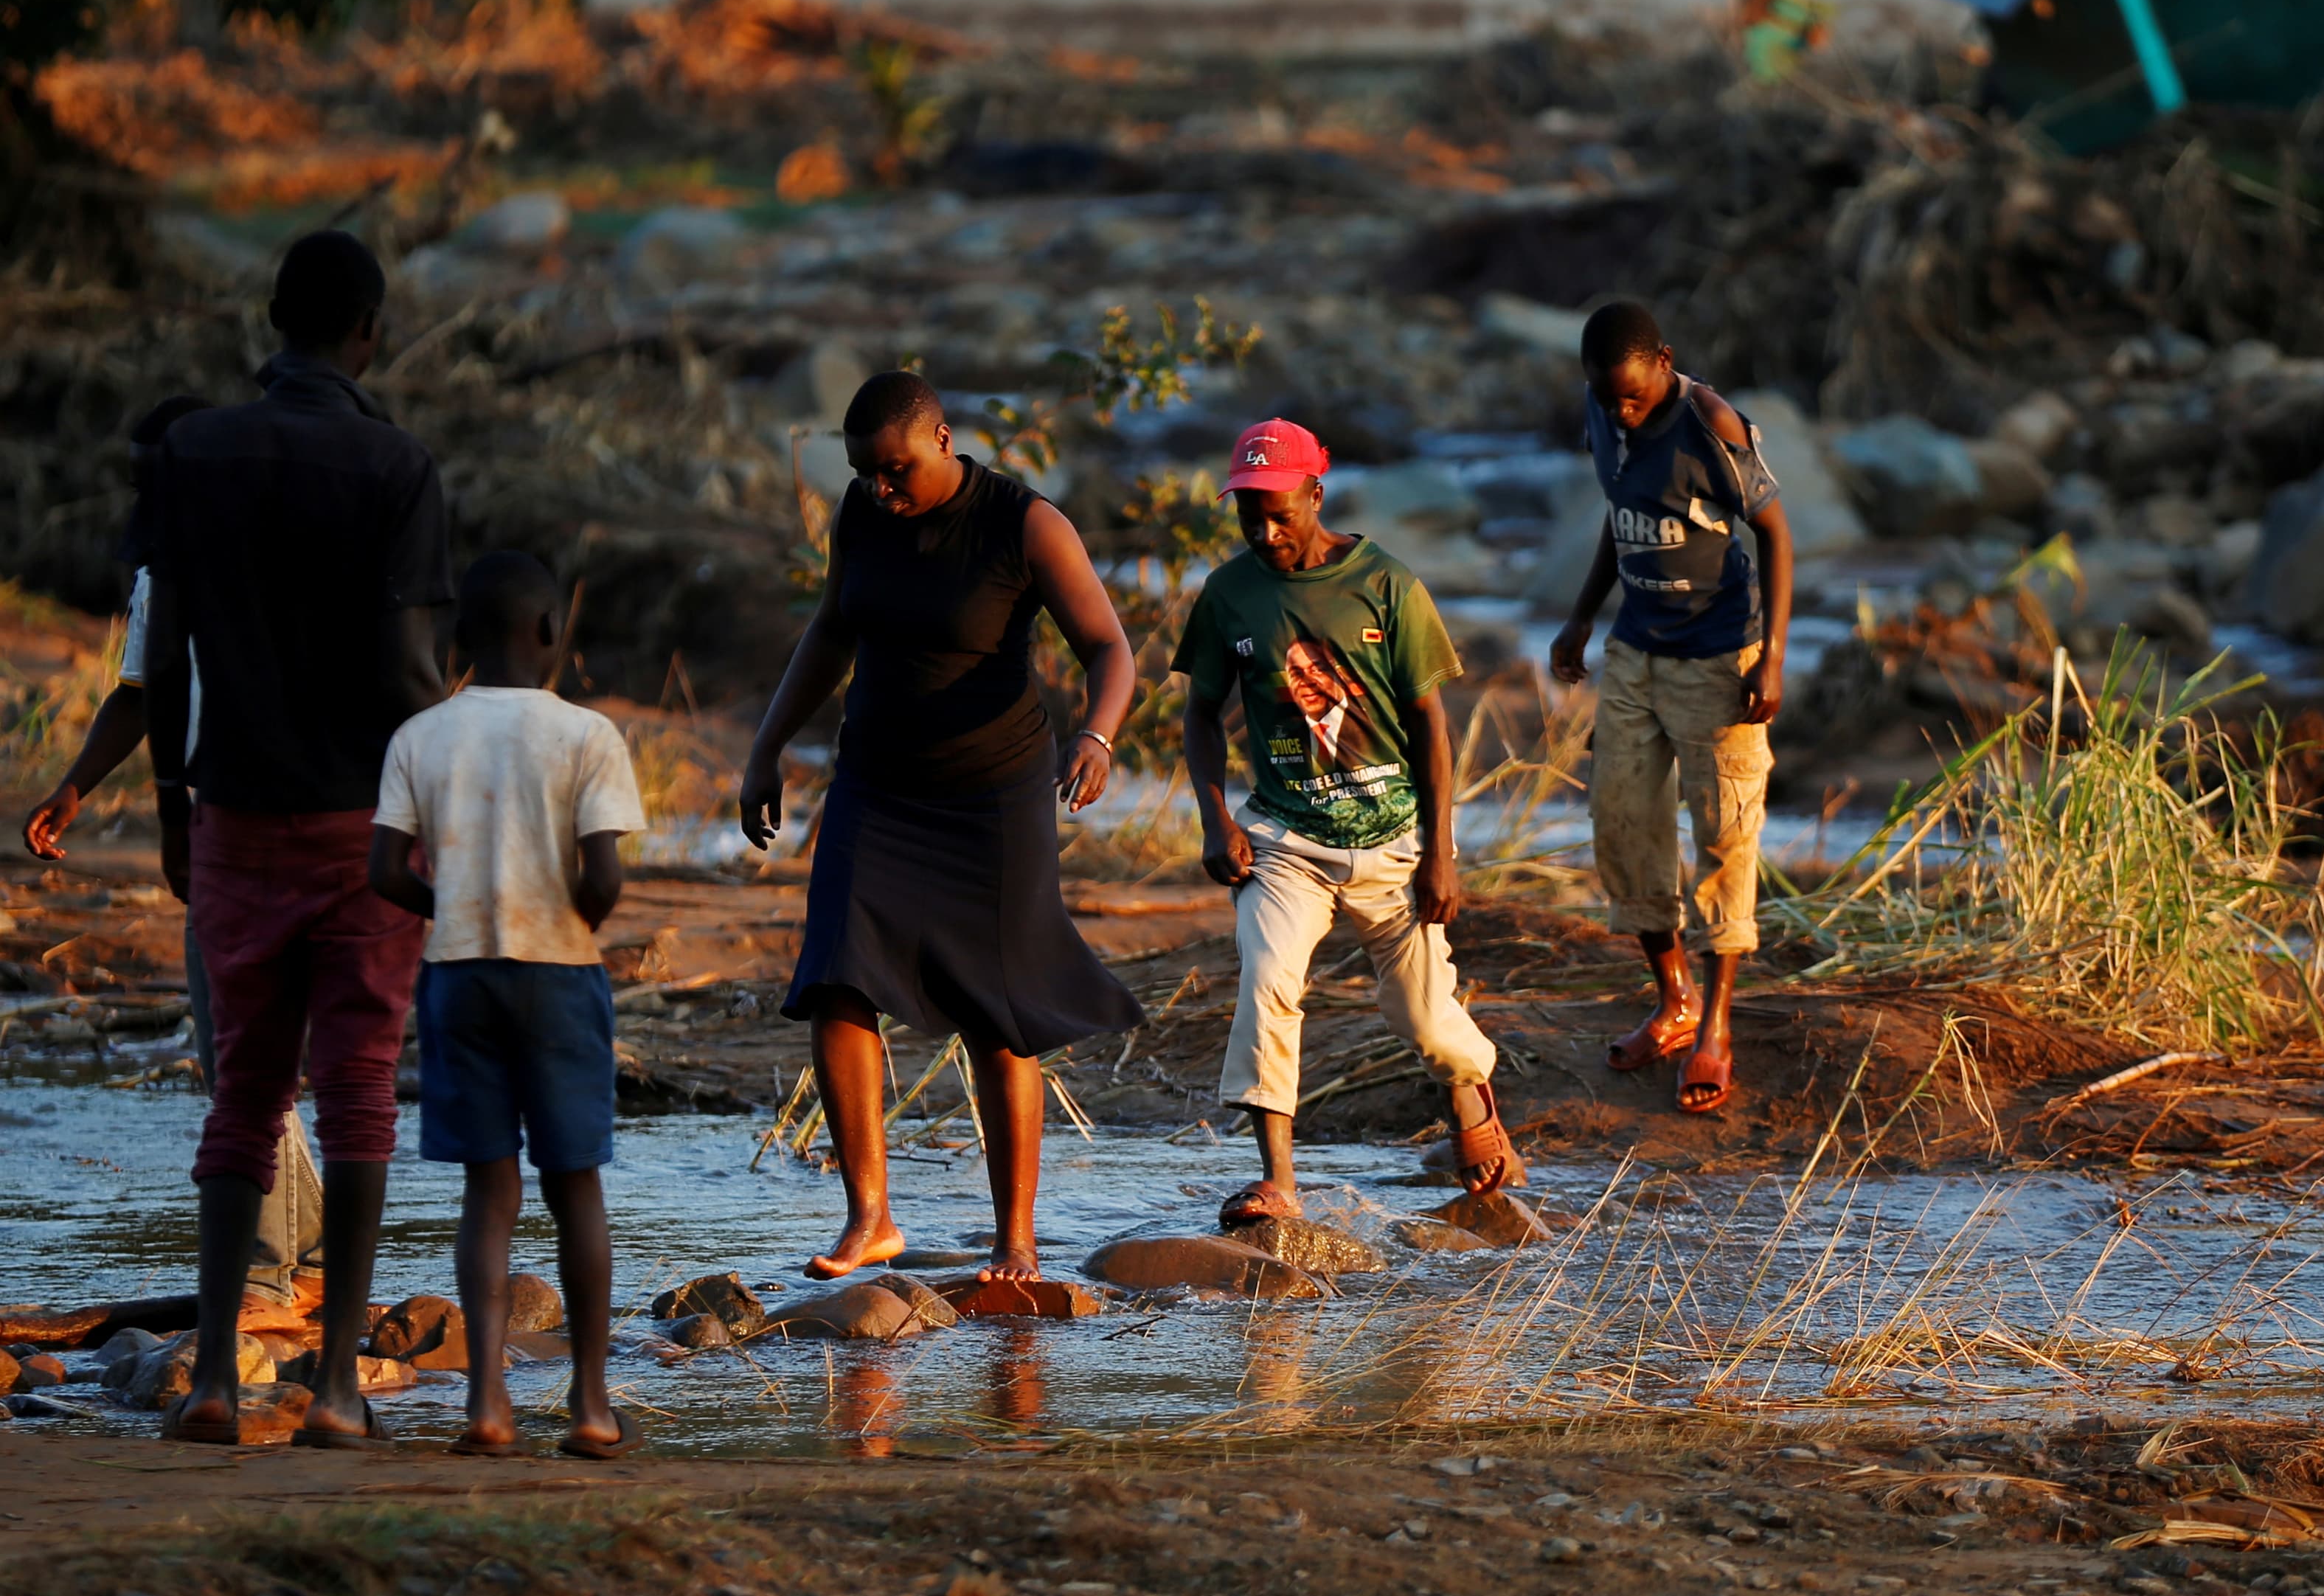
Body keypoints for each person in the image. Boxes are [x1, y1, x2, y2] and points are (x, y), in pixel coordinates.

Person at [143, 229, 452, 1446]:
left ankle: (215, 1377)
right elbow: (409, 670)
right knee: (360, 1090)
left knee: (245, 1097)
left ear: (272, 320)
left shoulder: (190, 451)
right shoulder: (397, 465)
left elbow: (164, 655)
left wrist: (175, 807)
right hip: (363, 824)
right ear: (367, 333)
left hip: (233, 811)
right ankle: (331, 1389)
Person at [739, 370, 1140, 1283]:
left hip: (992, 797)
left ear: (943, 440)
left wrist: (1098, 734)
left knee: (998, 1016)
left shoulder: (1025, 523)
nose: (882, 490)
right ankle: (870, 1218)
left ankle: (1017, 1241)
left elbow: (1111, 648)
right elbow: (833, 628)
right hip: (876, 786)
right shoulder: (861, 513)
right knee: (836, 980)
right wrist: (766, 747)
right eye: (866, 474)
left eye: (895, 469)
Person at [21, 395, 322, 1320]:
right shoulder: (189, 558)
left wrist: (170, 818)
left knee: (236, 1048)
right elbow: (140, 691)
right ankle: (303, 1246)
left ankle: (269, 1272)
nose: (143, 494)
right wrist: (75, 783)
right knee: (255, 1046)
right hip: (251, 816)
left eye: (154, 476)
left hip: (253, 823)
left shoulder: (245, 556)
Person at [1177, 417, 1520, 1222]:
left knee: (1424, 1018)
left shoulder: (1388, 584)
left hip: (1393, 840)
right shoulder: (1230, 594)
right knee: (1268, 982)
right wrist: (1213, 815)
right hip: (1284, 841)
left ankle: (1472, 1090)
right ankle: (1280, 1183)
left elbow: (1431, 723)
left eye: (1279, 511)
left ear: (1316, 494)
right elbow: (1199, 713)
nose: (1263, 530)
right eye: (1247, 512)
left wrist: (1441, 852)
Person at [369, 552, 645, 1460]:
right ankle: (592, 1404)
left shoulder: (422, 735)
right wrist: (573, 920)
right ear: (549, 633)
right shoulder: (589, 735)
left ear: (459, 640)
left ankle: (487, 1404)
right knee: (578, 1190)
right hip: (559, 973)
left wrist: (450, 910)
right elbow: (603, 874)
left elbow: (384, 871)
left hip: (460, 974)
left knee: (487, 1192)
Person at [1547, 302, 1792, 1117]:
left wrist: (1774, 660)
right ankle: (1674, 996)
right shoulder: (1601, 409)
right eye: (1607, 396)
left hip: (1719, 659)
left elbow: (1776, 535)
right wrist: (1583, 613)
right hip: (1635, 654)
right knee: (1621, 824)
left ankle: (1715, 1028)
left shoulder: (1709, 422)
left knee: (1725, 836)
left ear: (1664, 361)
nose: (1621, 410)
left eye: (1632, 395)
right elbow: (1623, 520)